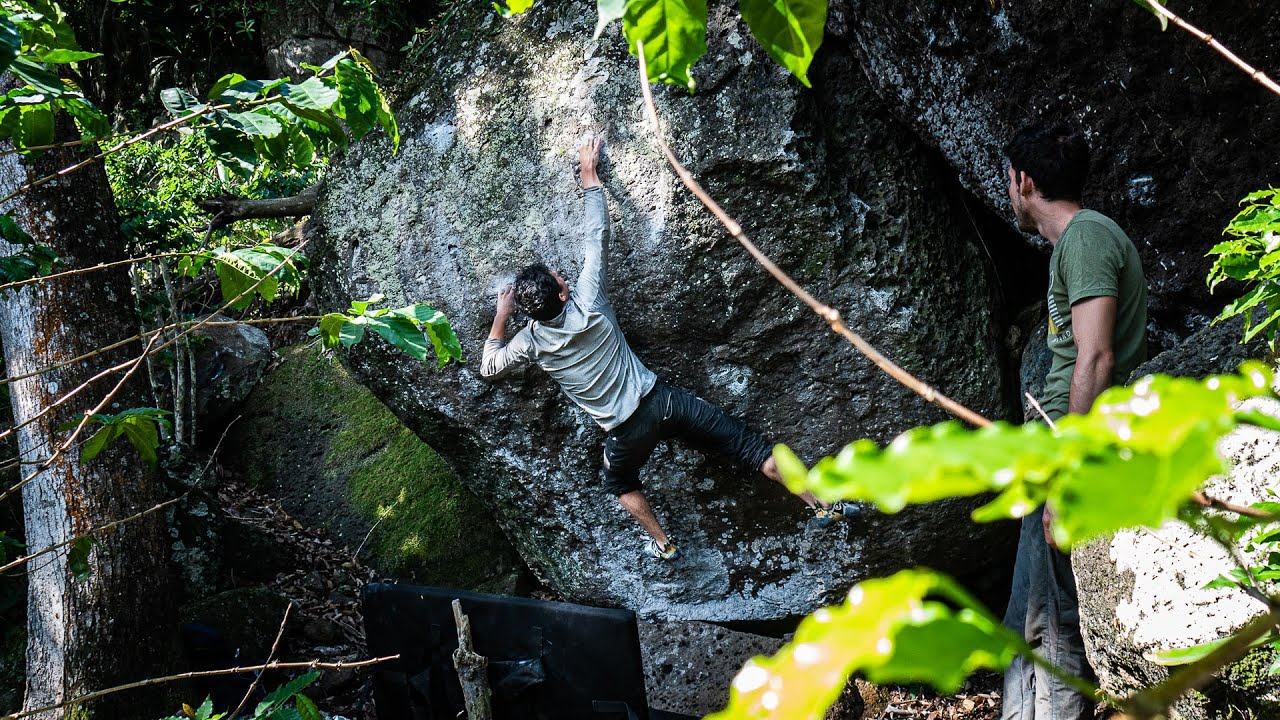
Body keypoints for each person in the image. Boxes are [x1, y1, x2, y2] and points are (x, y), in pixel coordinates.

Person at [480, 136, 840, 560]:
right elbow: (596, 237)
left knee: (619, 484)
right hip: (663, 401)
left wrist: (502, 314)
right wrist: (589, 177)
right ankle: (824, 507)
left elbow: (489, 367)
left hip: (624, 433)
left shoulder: (530, 343)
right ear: (562, 295)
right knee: (753, 449)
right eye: (561, 280)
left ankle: (663, 543)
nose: (565, 278)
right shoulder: (589, 299)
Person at [1000, 122, 1147, 719]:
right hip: (1050, 448)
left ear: (1025, 181)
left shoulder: (1086, 237)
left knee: (1055, 625)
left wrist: (1067, 472)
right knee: (1023, 621)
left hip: (1072, 450)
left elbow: (1096, 355)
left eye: (1008, 180)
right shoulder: (1074, 245)